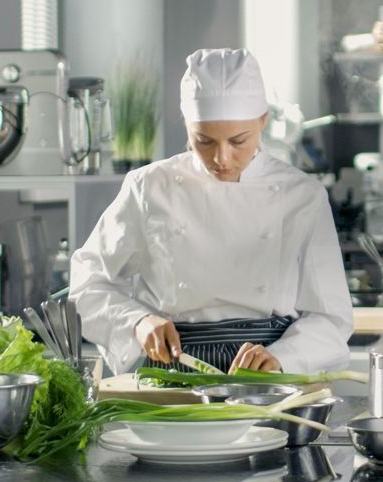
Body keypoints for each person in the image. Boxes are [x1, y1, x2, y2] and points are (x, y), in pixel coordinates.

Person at [70, 48, 353, 374]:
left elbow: (331, 317)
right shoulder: (149, 187)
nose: (221, 158)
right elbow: (87, 286)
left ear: (263, 120)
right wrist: (137, 321)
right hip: (171, 371)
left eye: (238, 141)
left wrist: (285, 358)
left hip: (265, 377)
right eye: (203, 141)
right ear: (188, 125)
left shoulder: (302, 195)